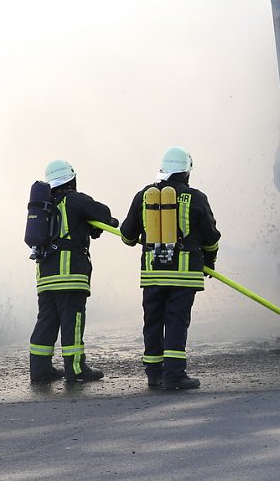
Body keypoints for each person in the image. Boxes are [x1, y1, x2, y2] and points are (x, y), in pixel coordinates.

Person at [120, 147, 220, 390]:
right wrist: (209, 261)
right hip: (184, 275)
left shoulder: (144, 196)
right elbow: (211, 237)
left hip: (153, 273)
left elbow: (127, 236)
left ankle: (154, 374)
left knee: (153, 321)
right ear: (186, 172)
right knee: (176, 321)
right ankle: (174, 375)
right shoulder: (196, 198)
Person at [29, 160, 117, 383]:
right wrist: (107, 222)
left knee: (46, 322)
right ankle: (76, 369)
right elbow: (104, 213)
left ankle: (40, 370)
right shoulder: (75, 200)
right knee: (72, 321)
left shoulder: (45, 205)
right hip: (70, 275)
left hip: (45, 277)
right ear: (71, 180)